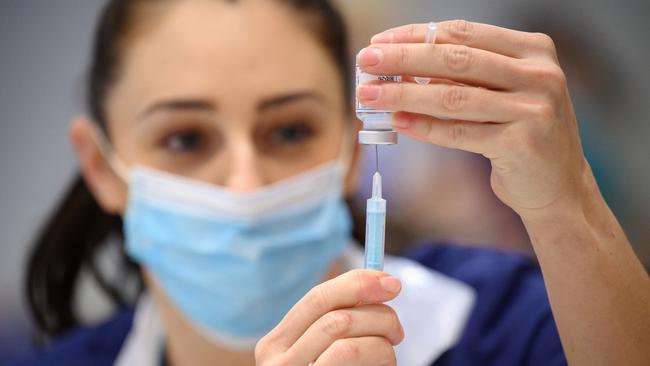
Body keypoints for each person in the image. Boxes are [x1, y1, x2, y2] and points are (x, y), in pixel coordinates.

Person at [10, 0, 649, 365]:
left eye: (289, 131)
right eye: (186, 139)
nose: (244, 184)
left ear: (350, 147)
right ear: (102, 168)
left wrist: (569, 205)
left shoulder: (512, 324)